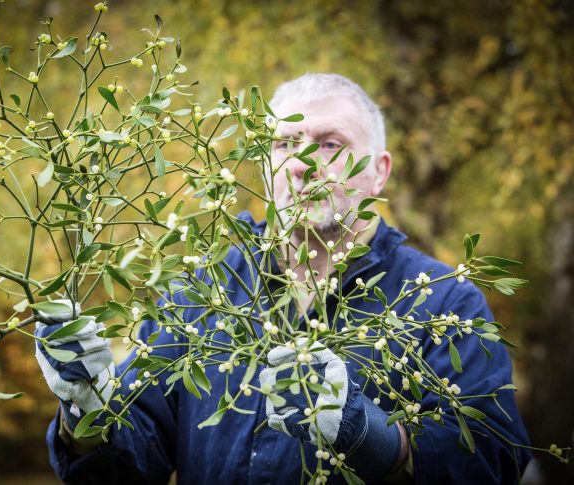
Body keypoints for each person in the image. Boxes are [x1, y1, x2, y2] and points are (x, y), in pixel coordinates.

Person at [34, 73, 531, 484]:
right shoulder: (201, 292)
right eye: (284, 143)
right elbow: (126, 469)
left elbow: (494, 462)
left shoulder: (442, 301)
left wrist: (374, 439)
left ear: (379, 173)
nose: (300, 163)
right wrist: (87, 417)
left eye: (330, 144)